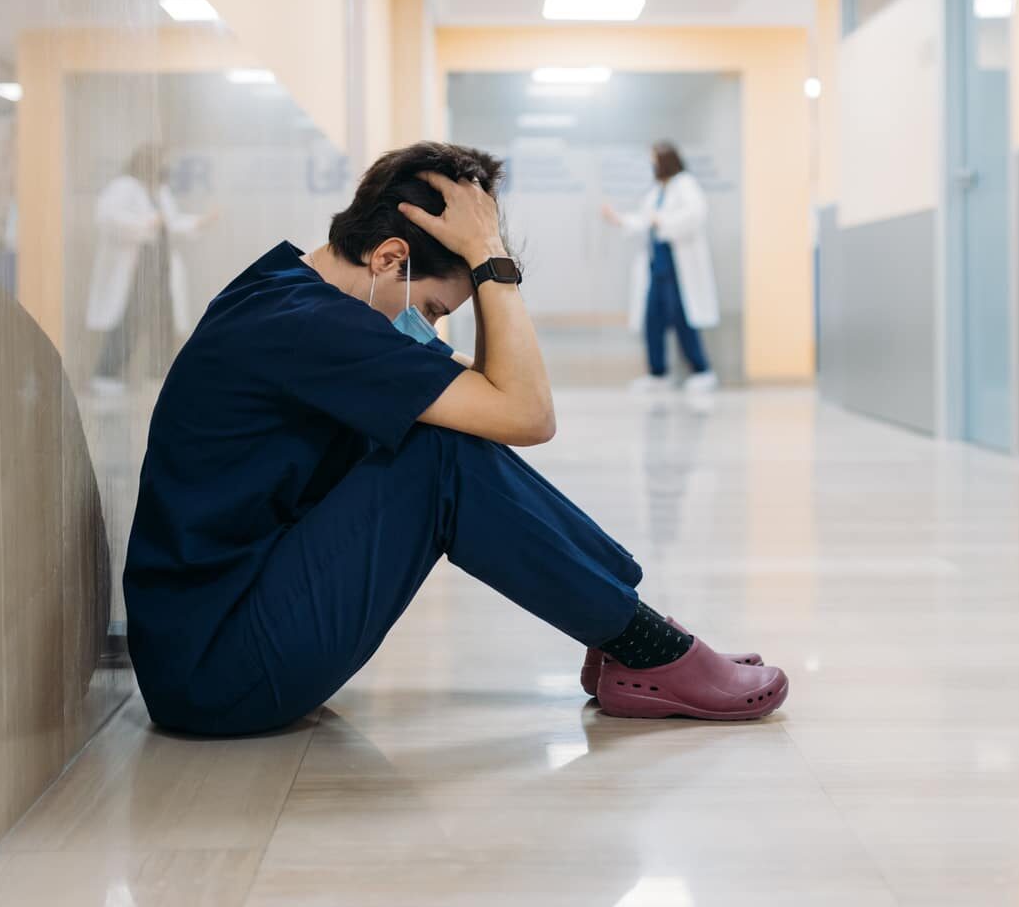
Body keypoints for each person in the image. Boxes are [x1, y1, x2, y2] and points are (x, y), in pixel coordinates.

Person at [122, 141, 785, 736]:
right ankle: (640, 642)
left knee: (445, 433)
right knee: (438, 455)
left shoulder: (297, 296)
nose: (433, 330)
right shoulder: (312, 327)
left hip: (220, 639)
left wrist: (482, 254)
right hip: (216, 673)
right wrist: (490, 260)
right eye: (436, 310)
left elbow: (498, 396)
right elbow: (530, 414)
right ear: (390, 259)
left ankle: (633, 634)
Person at [85, 143, 212, 394]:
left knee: (163, 322)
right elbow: (108, 217)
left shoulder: (159, 191)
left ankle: (159, 376)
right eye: (160, 161)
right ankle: (106, 376)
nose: (164, 167)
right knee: (129, 320)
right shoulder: (124, 187)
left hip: (159, 266)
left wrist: (200, 221)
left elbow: (172, 223)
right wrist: (146, 223)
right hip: (136, 266)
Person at [601, 141, 720, 394]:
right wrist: (619, 219)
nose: (651, 165)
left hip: (679, 268)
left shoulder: (685, 184)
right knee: (652, 320)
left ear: (666, 160)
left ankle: (702, 370)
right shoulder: (658, 191)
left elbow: (695, 215)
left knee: (683, 319)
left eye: (654, 160)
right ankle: (658, 373)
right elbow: (645, 221)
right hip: (658, 268)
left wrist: (662, 220)